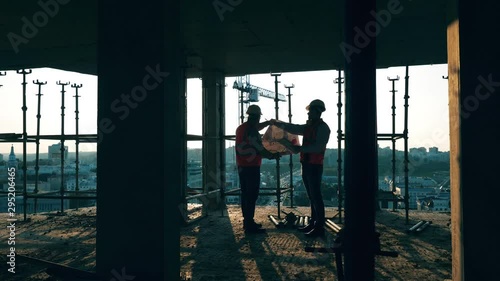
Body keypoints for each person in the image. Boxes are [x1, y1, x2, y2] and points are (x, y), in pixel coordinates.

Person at [270, 99, 331, 237]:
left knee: (316, 196)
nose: (308, 114)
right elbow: (295, 128)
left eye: (311, 112)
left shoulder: (322, 128)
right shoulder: (310, 127)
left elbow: (318, 147)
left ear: (317, 111)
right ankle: (313, 223)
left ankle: (319, 227)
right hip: (307, 164)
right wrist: (278, 124)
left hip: (315, 166)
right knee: (312, 196)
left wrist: (300, 148)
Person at [236, 104, 280, 234]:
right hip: (252, 167)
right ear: (257, 117)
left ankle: (247, 221)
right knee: (252, 195)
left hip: (242, 166)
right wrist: (273, 155)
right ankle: (249, 225)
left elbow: (255, 127)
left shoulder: (242, 128)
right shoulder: (252, 131)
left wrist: (268, 123)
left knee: (245, 195)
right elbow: (260, 149)